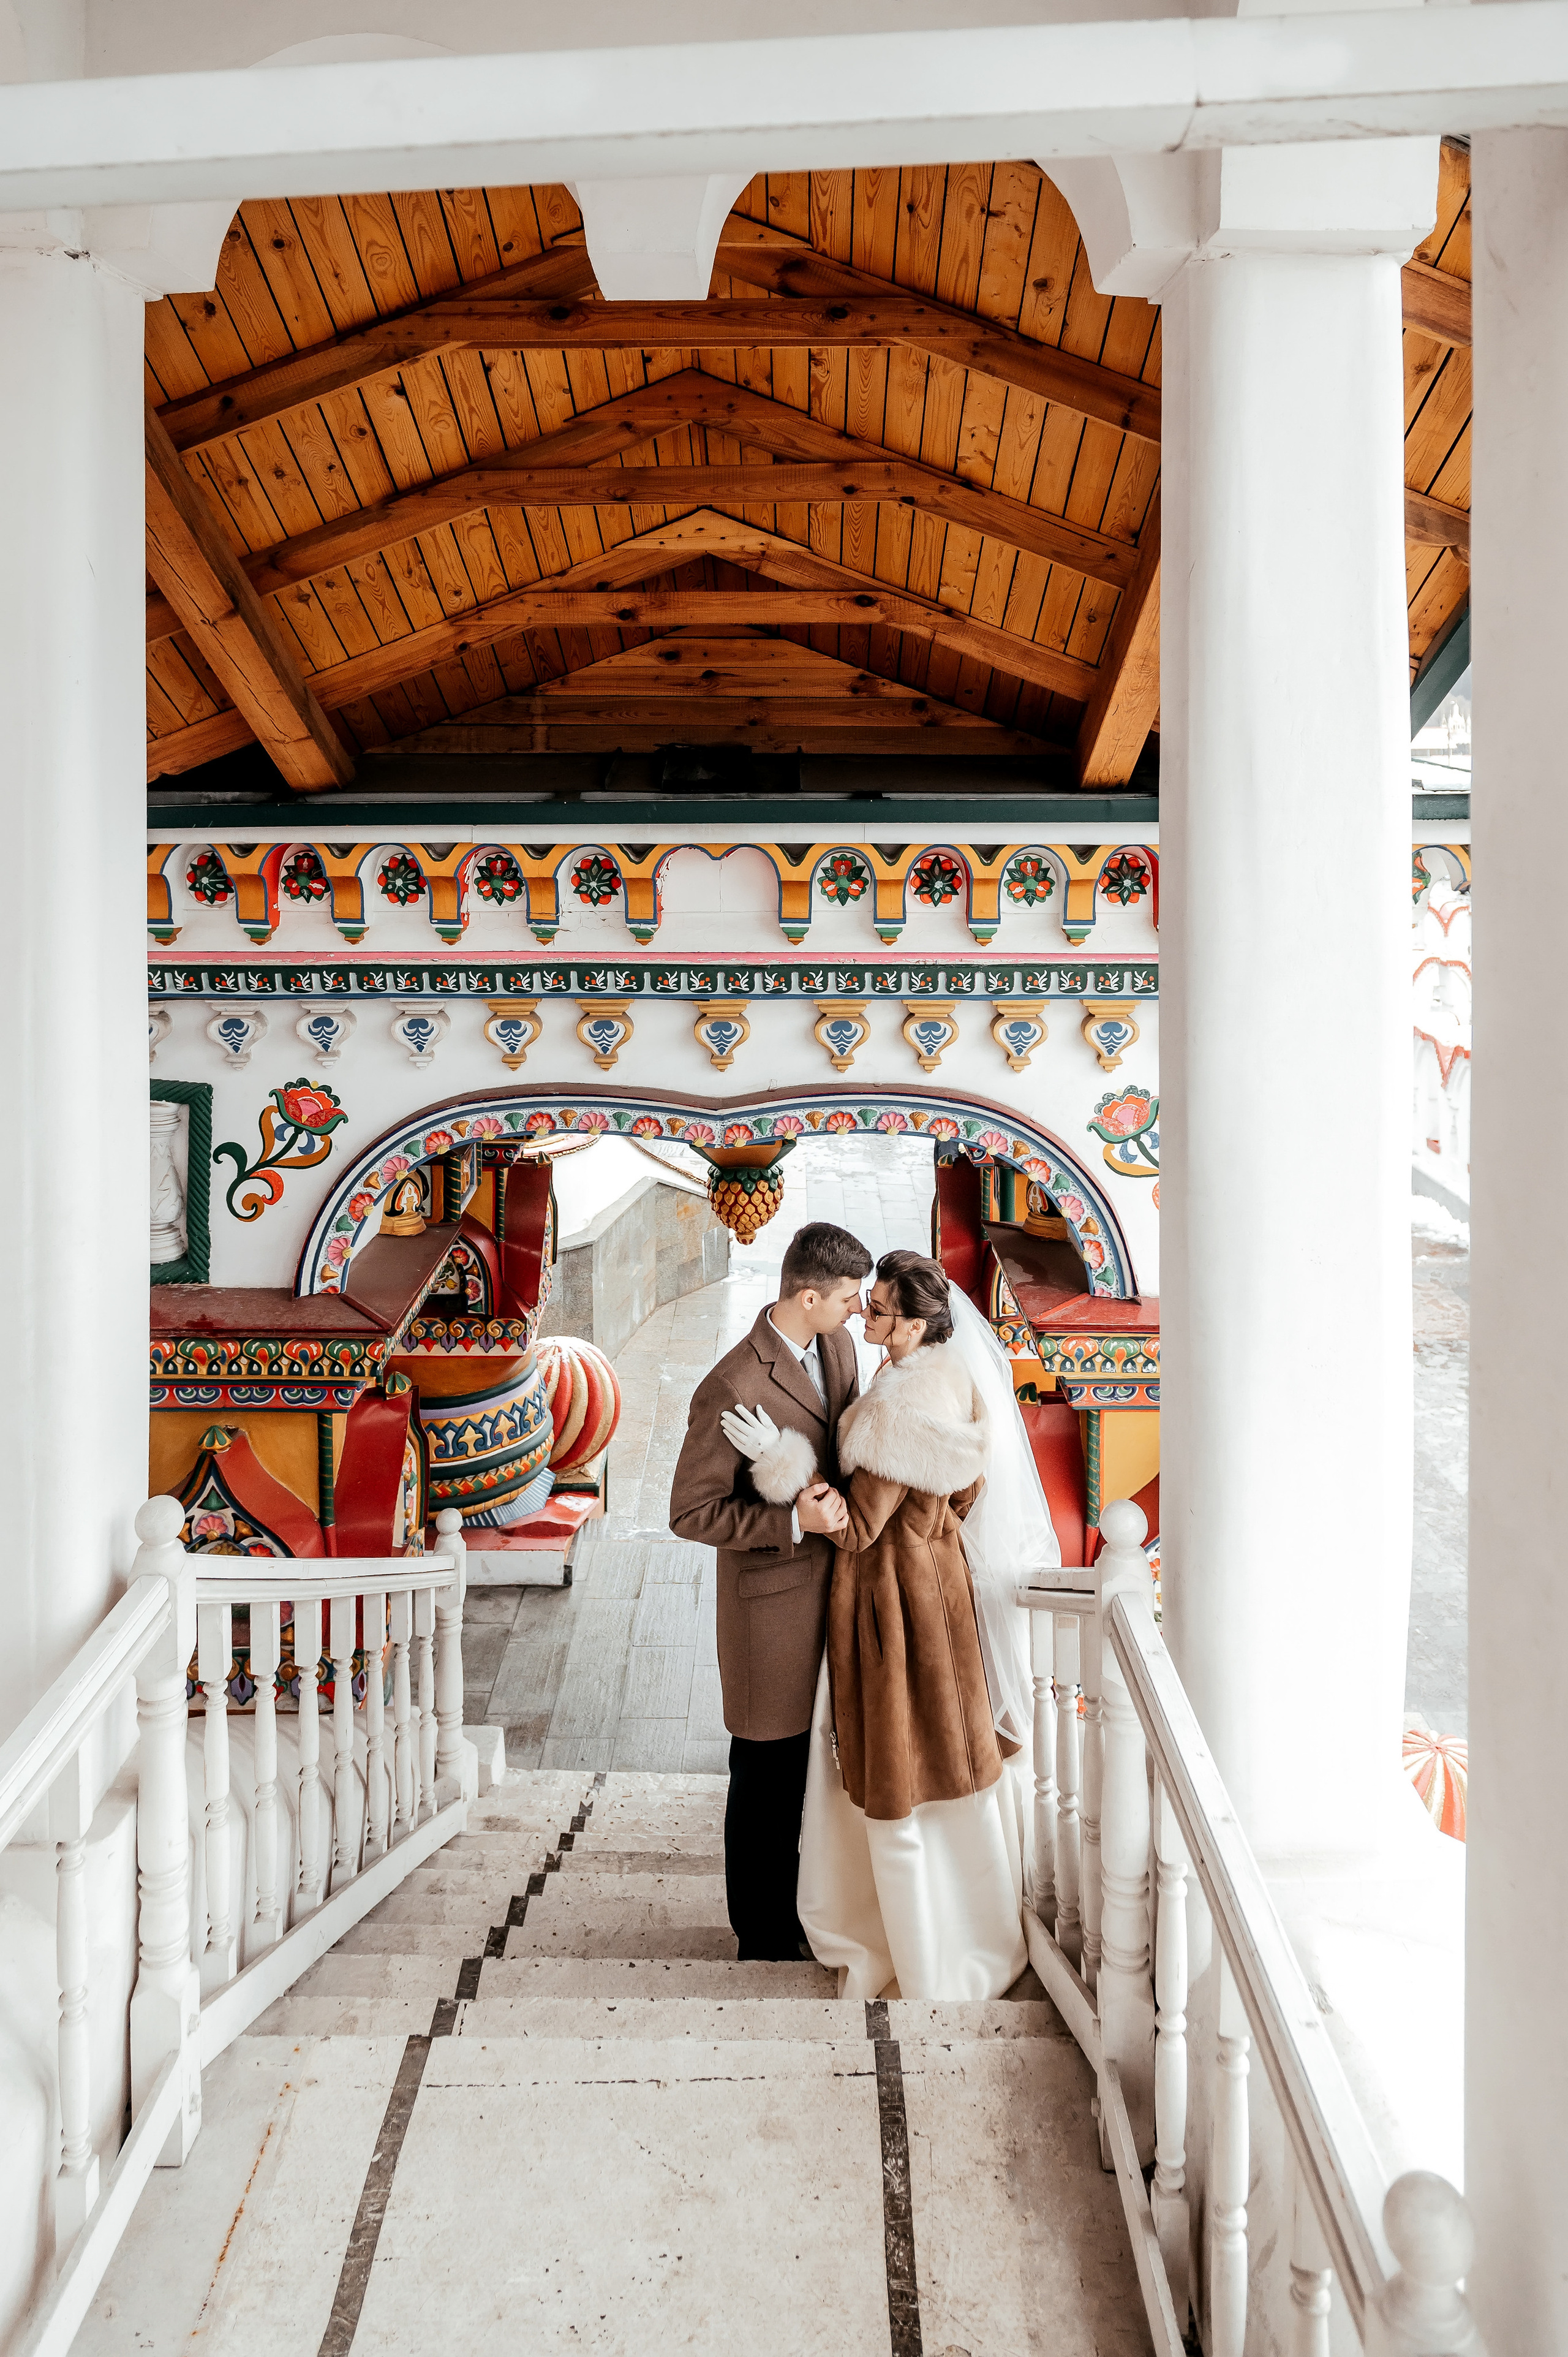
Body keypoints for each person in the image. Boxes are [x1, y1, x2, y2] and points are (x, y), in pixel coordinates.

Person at [733, 1247, 1060, 1999]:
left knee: (898, 1763)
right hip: (940, 1587)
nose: (864, 1315)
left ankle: (909, 1943)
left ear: (913, 1323)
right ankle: (972, 1923)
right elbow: (968, 1493)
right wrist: (929, 1528)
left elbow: (848, 1530)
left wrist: (782, 1460)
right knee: (950, 1750)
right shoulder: (953, 1377)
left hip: (888, 1605)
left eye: (877, 1308)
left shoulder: (888, 1417)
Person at [667, 1220, 872, 1961]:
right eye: (848, 1297)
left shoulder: (838, 1345)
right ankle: (760, 1933)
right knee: (765, 1777)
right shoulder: (731, 1383)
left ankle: (810, 1909)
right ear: (807, 1294)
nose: (859, 1310)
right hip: (770, 1615)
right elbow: (689, 1513)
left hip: (840, 1595)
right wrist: (792, 1520)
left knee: (819, 1769)